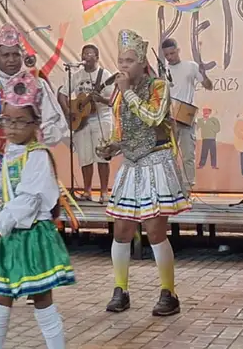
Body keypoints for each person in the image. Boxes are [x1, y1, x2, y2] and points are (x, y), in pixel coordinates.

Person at [0, 23, 69, 302]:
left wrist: (36, 136)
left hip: (30, 161)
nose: (10, 59)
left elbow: (58, 123)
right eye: (5, 55)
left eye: (14, 54)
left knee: (30, 220)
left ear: (22, 54)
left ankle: (34, 282)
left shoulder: (38, 83)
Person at [100, 29, 190, 316]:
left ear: (141, 62)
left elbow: (152, 117)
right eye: (120, 60)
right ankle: (120, 289)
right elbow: (122, 131)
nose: (122, 66)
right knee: (121, 230)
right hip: (131, 163)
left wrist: (127, 92)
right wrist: (111, 147)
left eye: (128, 60)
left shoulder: (159, 86)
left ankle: (169, 293)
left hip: (156, 161)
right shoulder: (118, 92)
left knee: (154, 232)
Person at [0, 70, 74, 349]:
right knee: (1, 296)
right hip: (14, 238)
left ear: (35, 123)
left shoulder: (37, 155)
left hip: (34, 237)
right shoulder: (11, 152)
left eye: (20, 122)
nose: (11, 127)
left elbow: (30, 198)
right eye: (7, 120)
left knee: (42, 300)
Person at [56, 43, 114, 203]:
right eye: (84, 54)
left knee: (102, 155)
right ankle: (87, 191)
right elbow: (62, 94)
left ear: (97, 57)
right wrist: (68, 111)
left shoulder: (105, 76)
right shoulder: (76, 75)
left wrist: (100, 98)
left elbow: (113, 101)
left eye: (89, 54)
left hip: (101, 118)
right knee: (85, 157)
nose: (85, 57)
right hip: (81, 121)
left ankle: (103, 192)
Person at [162, 38, 212, 190]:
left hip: (186, 117)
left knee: (188, 155)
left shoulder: (191, 66)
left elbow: (208, 86)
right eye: (167, 55)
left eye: (172, 53)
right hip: (167, 118)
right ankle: (169, 188)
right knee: (168, 155)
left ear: (178, 50)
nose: (170, 57)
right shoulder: (162, 70)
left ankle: (187, 188)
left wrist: (204, 74)